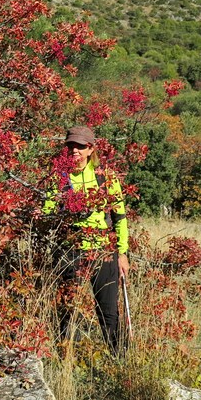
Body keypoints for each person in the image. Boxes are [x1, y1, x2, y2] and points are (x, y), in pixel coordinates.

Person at [44, 125, 129, 354]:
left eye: (80, 146)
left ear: (91, 149)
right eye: (71, 145)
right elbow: (47, 213)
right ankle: (64, 361)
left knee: (108, 311)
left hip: (102, 252)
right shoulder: (58, 177)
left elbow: (119, 216)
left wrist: (122, 253)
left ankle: (119, 360)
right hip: (69, 251)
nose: (74, 150)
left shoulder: (106, 178)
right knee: (65, 309)